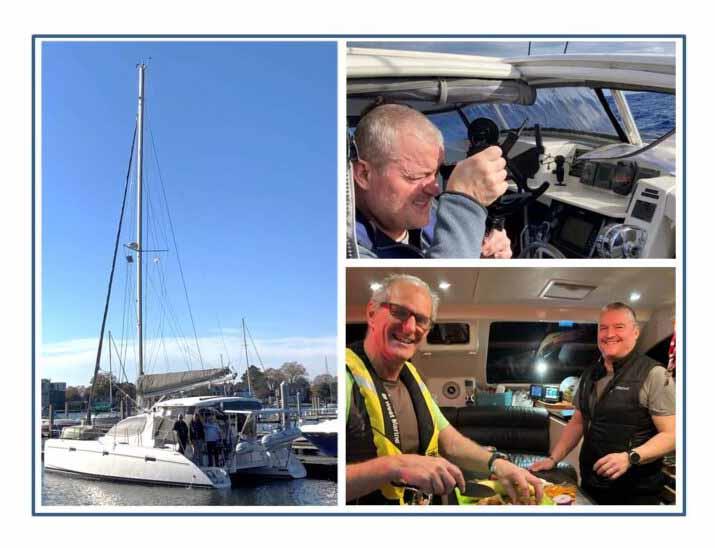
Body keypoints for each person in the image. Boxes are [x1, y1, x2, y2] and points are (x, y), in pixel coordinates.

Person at [346, 274, 542, 505]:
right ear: (371, 313)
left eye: (421, 320)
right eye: (399, 312)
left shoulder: (412, 377)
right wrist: (393, 466)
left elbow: (450, 442)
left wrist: (498, 464)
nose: (410, 328)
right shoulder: (346, 376)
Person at [530, 303, 675, 505]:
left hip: (635, 492)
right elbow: (577, 423)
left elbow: (671, 435)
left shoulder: (654, 374)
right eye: (603, 328)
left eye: (619, 327)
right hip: (592, 483)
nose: (609, 334)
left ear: (635, 332)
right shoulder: (590, 374)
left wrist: (630, 457)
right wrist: (553, 458)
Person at [350, 104, 512, 259]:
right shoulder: (350, 249)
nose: (434, 190)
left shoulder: (433, 210)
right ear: (364, 175)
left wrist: (476, 253)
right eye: (415, 176)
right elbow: (435, 285)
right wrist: (465, 204)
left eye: (435, 174)